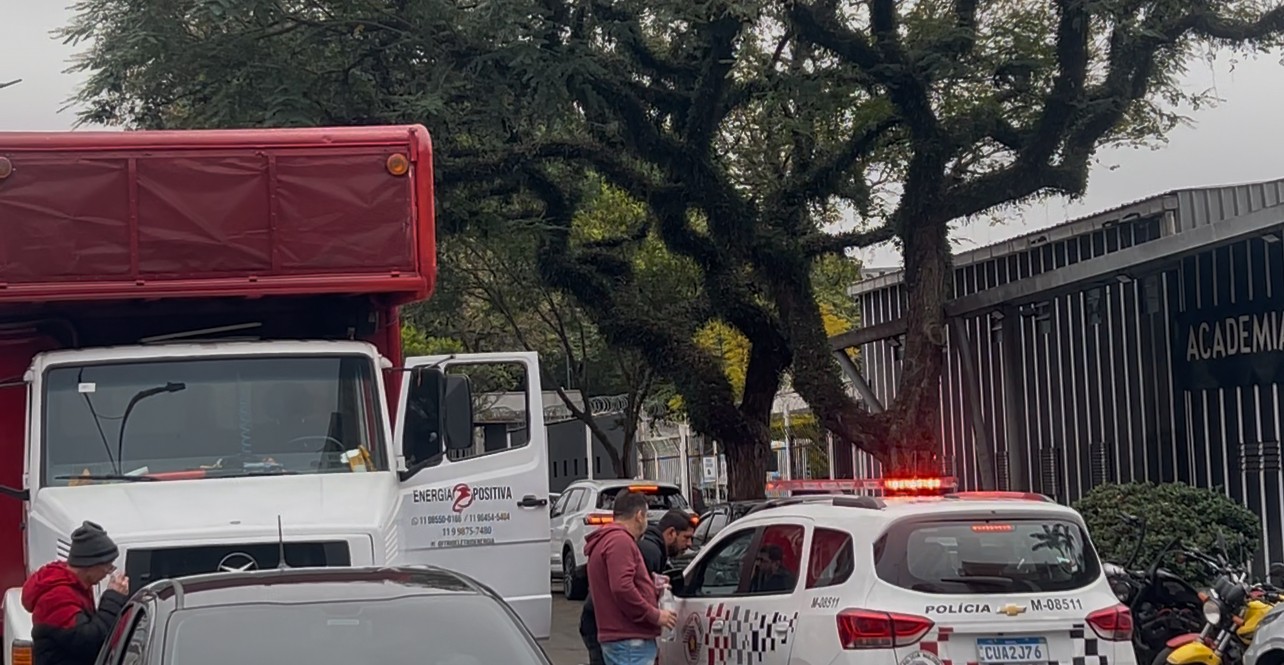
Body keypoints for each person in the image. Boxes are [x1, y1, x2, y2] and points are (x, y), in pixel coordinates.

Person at [580, 509, 695, 665]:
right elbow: (626, 589)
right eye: (686, 537)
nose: (689, 544)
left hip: (603, 624)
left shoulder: (644, 545)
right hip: (623, 634)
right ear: (671, 533)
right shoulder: (649, 551)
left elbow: (632, 585)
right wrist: (655, 615)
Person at [21, 521, 130, 665]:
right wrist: (113, 598)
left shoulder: (76, 586)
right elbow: (90, 642)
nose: (107, 573)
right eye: (107, 567)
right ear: (90, 566)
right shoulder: (56, 598)